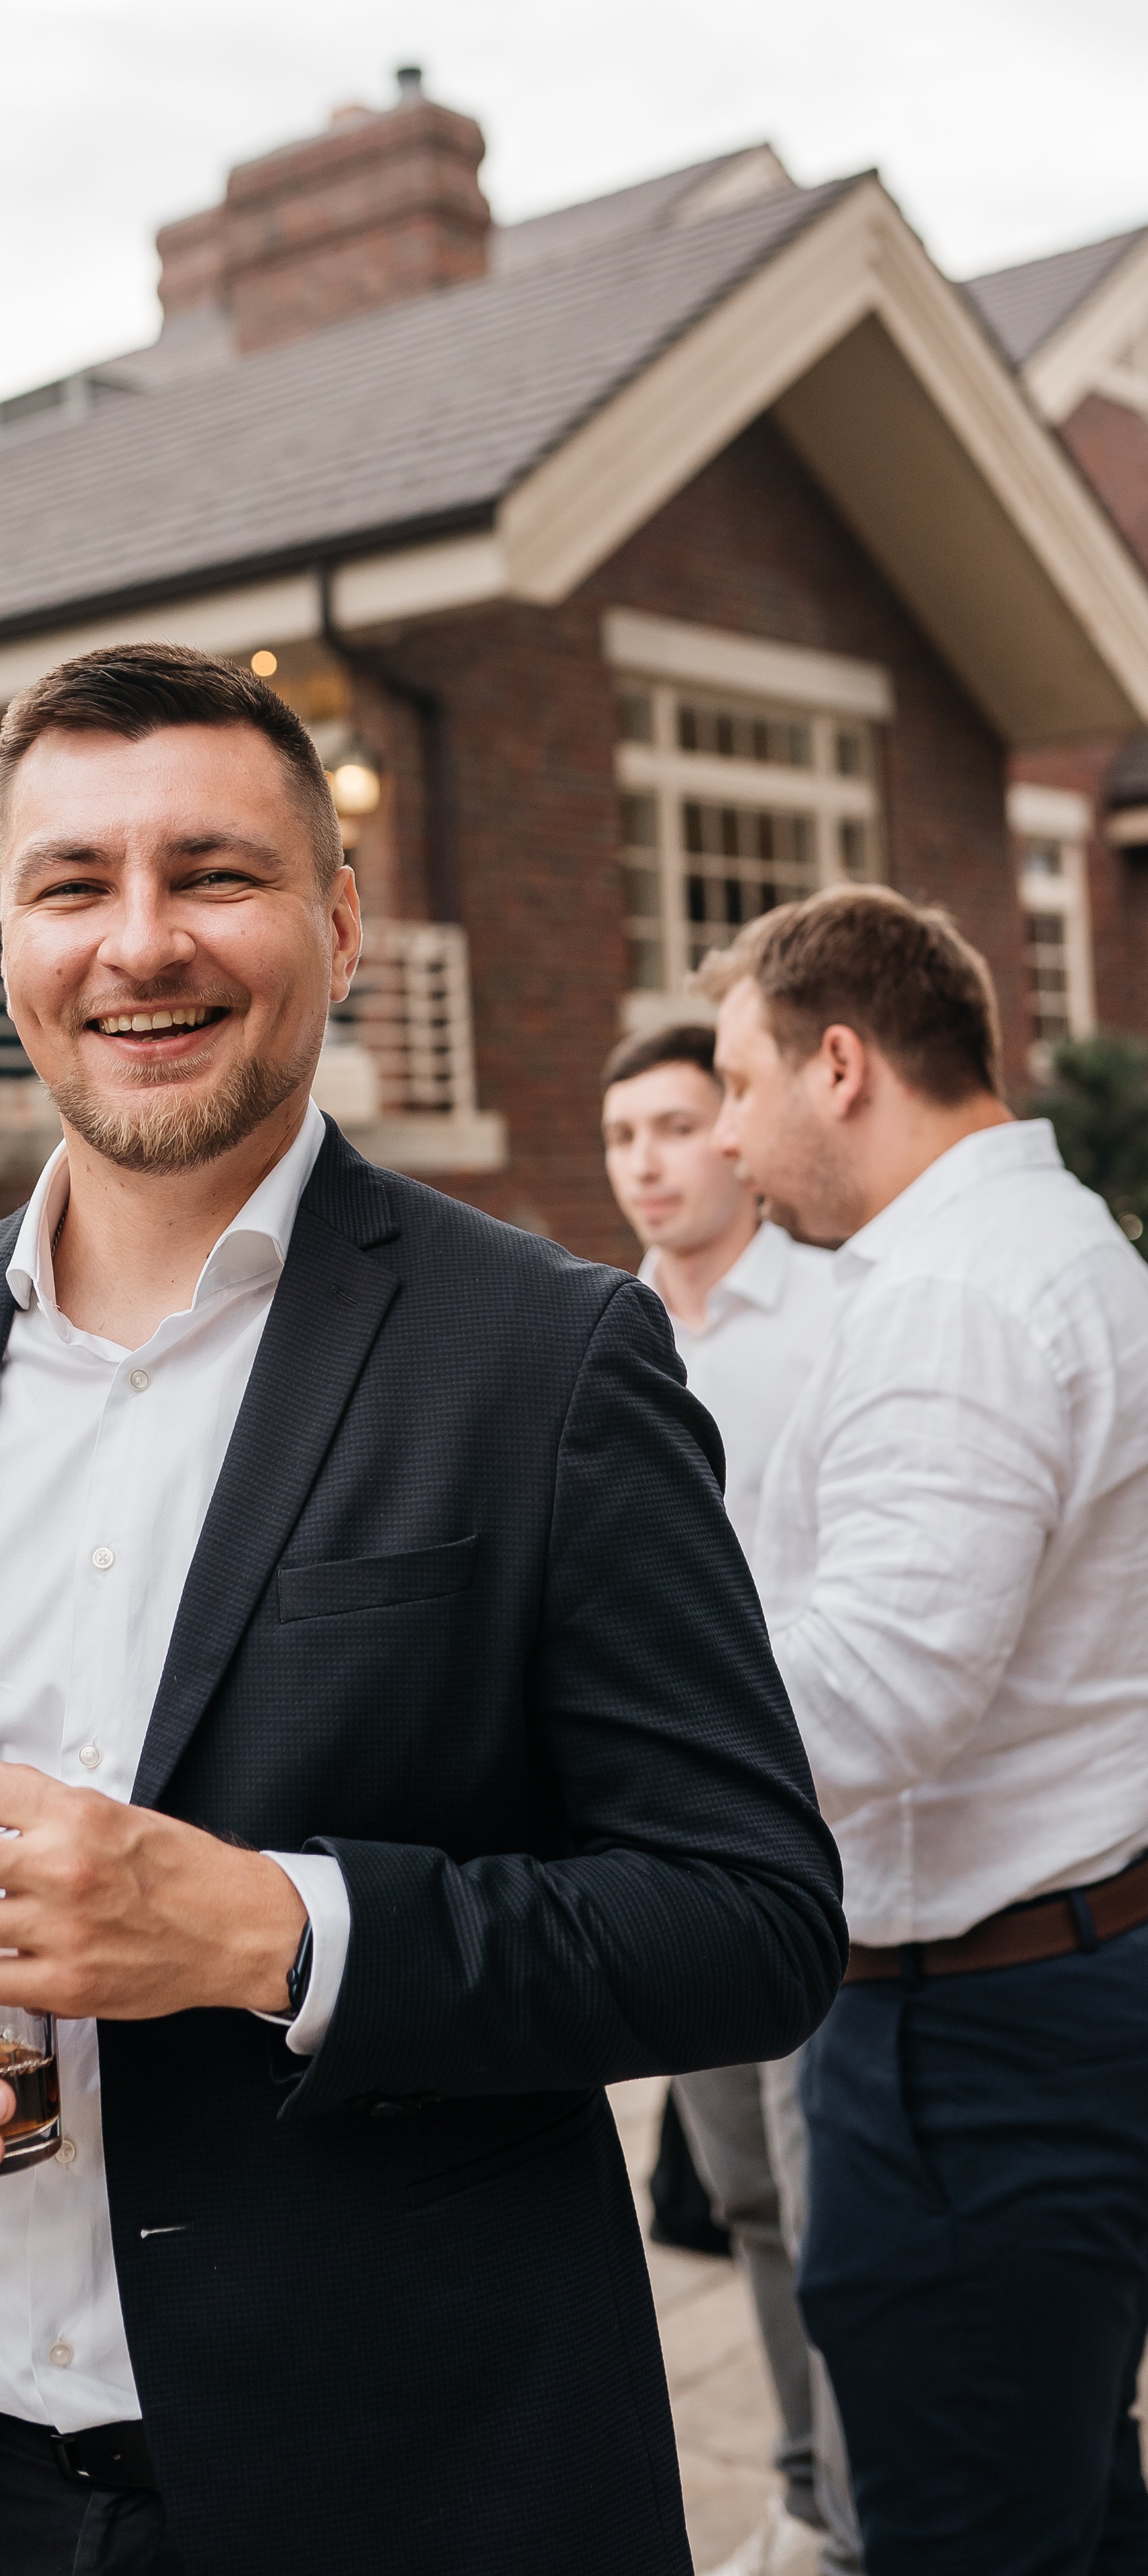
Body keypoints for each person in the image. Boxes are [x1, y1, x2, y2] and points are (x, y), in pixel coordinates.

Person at [0, 641, 845, 2576]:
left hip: (406, 2479)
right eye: (72, 883)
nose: (138, 941)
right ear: (3, 936)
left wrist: (267, 1928)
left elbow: (752, 1916)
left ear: (341, 919)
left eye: (212, 873)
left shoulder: (549, 1358)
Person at [705, 884, 1148, 2576]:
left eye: (738, 1084)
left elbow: (868, 1697)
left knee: (964, 2527)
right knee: (1066, 2502)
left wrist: (605, 1720)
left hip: (968, 2040)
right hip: (1056, 1983)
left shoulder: (952, 1296)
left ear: (840, 1064)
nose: (727, 1135)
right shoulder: (1059, 1243)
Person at [603, 1022, 851, 2576]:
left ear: (737, 1141)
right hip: (667, 1839)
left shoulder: (836, 1314)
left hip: (829, 1833)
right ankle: (811, 2488)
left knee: (833, 2204)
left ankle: (865, 2507)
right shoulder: (599, 1328)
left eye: (677, 1125)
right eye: (622, 1134)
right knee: (746, 2194)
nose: (647, 1161)